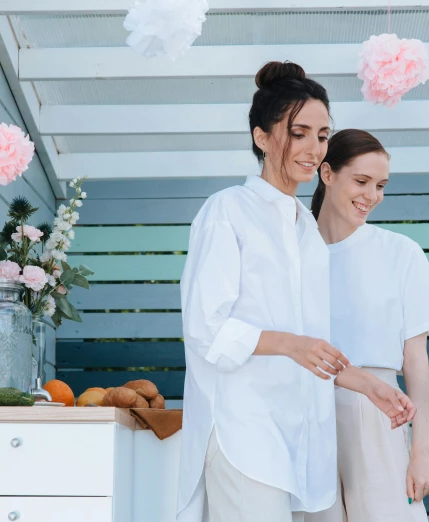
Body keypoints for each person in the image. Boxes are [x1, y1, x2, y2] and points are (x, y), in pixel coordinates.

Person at [177, 65, 416, 522]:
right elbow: (206, 329)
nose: (313, 149)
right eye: (299, 133)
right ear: (262, 138)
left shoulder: (306, 228)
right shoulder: (227, 211)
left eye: (322, 135)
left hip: (308, 437)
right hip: (244, 431)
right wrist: (290, 345)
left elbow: (315, 344)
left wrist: (370, 385)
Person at [306, 129, 429, 522]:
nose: (372, 195)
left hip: (379, 413)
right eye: (361, 181)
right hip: (304, 409)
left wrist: (422, 451)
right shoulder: (293, 250)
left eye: (381, 185)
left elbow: (415, 364)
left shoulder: (400, 253)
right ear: (327, 174)